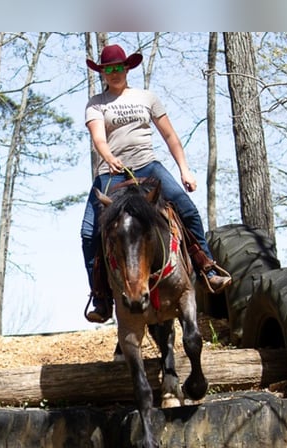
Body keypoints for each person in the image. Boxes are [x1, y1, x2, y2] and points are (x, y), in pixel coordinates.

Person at [81, 44, 231, 323]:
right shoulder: (96, 103)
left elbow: (170, 135)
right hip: (112, 172)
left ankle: (207, 267)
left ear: (127, 68)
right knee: (89, 232)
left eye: (118, 67)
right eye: (108, 69)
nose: (113, 73)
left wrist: (185, 170)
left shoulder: (147, 97)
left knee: (186, 208)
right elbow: (98, 137)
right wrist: (108, 156)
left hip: (148, 166)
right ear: (102, 73)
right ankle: (101, 297)